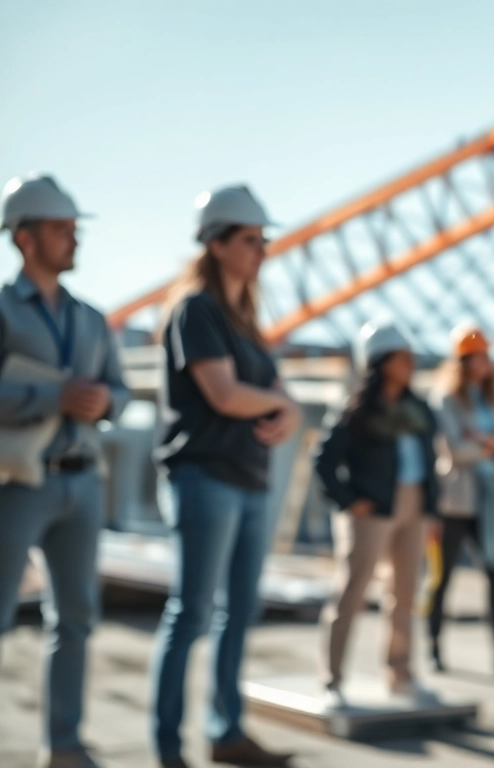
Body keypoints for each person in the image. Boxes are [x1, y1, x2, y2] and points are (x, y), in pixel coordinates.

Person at [149, 185, 301, 768]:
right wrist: (279, 405)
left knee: (239, 612)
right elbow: (225, 393)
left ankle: (227, 732)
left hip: (250, 480)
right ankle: (168, 747)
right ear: (216, 244)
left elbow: (278, 396)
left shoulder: (247, 323)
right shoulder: (197, 311)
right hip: (205, 478)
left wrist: (282, 406)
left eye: (264, 240)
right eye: (250, 240)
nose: (262, 250)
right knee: (191, 612)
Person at [0, 175, 129, 768]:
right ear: (24, 238)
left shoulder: (93, 320)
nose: (73, 239)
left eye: (75, 229)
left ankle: (66, 746)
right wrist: (52, 398)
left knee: (76, 618)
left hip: (83, 481)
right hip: (17, 483)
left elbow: (121, 391)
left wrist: (105, 402)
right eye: (61, 229)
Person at [315, 323, 438, 708]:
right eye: (403, 358)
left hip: (412, 504)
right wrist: (349, 500)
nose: (411, 364)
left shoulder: (417, 409)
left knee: (404, 593)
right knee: (352, 591)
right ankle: (332, 679)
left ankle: (400, 674)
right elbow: (323, 461)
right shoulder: (355, 410)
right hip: (370, 510)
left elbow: (429, 458)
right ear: (381, 362)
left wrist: (430, 506)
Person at [424, 324, 494, 679]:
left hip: (492, 503)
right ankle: (434, 647)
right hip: (455, 503)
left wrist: (484, 442)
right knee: (442, 578)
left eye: (487, 356)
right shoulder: (445, 400)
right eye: (477, 357)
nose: (484, 363)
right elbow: (454, 449)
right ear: (463, 361)